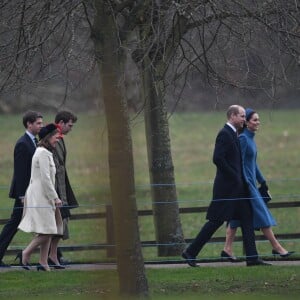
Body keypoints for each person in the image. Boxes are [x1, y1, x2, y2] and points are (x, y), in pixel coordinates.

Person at [182, 105, 270, 267]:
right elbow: (218, 158)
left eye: (245, 116)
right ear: (232, 116)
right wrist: (235, 176)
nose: (245, 119)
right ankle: (190, 252)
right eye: (242, 116)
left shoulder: (234, 134)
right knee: (215, 221)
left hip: (237, 189)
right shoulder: (224, 134)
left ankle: (252, 257)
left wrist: (240, 180)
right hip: (227, 190)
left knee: (247, 218)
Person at [221, 108, 294, 261]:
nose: (258, 122)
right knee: (262, 213)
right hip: (246, 185)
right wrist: (246, 183)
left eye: (258, 119)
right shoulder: (243, 139)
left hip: (251, 184)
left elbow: (253, 164)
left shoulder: (250, 139)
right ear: (246, 122)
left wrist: (263, 181)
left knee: (236, 217)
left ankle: (227, 249)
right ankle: (277, 247)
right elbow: (239, 163)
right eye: (254, 120)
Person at [17, 123, 63, 271]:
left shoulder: (44, 152)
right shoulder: (42, 153)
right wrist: (55, 198)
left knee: (47, 229)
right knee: (49, 230)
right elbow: (45, 178)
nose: (58, 139)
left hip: (44, 195)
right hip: (41, 196)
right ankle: (25, 253)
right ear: (48, 137)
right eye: (56, 137)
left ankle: (43, 262)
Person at [0, 111, 43, 268]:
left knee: (42, 223)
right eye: (38, 123)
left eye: (41, 123)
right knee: (14, 223)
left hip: (33, 192)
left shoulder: (34, 141)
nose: (41, 125)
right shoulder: (22, 143)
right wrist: (21, 195)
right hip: (24, 195)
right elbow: (20, 172)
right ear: (28, 124)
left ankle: (52, 256)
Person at [49, 110, 78, 266]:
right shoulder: (53, 138)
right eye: (69, 125)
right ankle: (27, 253)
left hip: (61, 186)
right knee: (57, 223)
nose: (70, 128)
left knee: (61, 222)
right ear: (60, 123)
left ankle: (53, 256)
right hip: (56, 187)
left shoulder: (59, 138)